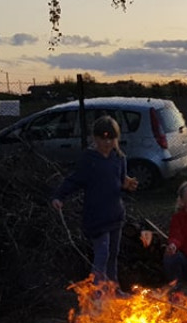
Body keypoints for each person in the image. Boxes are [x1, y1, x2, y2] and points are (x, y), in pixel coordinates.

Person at [52, 115, 138, 286]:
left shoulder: (119, 158)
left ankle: (113, 288)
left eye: (111, 138)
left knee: (113, 254)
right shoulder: (89, 159)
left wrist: (127, 185)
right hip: (96, 217)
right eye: (103, 138)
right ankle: (96, 291)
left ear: (116, 138)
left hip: (115, 215)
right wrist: (59, 196)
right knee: (102, 253)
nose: (107, 143)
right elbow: (75, 180)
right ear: (95, 138)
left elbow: (120, 181)